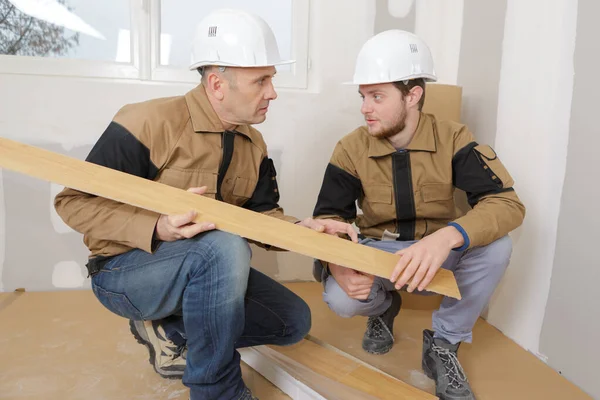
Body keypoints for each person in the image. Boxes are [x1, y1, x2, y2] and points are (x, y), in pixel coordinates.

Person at [54, 9, 356, 400]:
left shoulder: (253, 145)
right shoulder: (148, 122)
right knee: (225, 246)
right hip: (122, 273)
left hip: (201, 270)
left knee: (292, 321)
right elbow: (72, 203)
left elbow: (261, 217)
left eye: (272, 79)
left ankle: (169, 328)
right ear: (217, 84)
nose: (273, 92)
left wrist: (304, 231)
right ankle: (217, 389)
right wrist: (158, 227)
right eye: (261, 80)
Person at [311, 29, 525, 400]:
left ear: (413, 95)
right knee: (341, 300)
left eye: (377, 96)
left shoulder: (455, 138)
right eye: (363, 96)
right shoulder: (349, 148)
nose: (365, 108)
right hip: (377, 254)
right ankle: (383, 308)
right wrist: (337, 266)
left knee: (498, 248)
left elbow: (506, 203)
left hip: (437, 255)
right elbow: (329, 218)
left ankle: (444, 342)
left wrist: (447, 237)